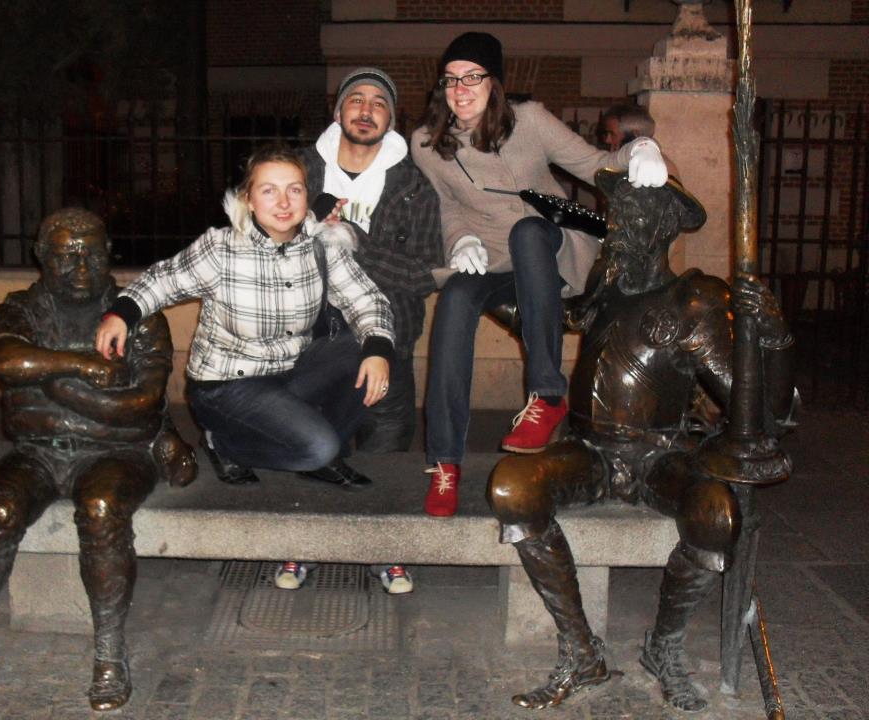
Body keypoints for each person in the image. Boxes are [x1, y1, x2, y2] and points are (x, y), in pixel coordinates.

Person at [487, 170, 796, 711]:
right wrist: (486, 291)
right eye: (619, 210)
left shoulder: (694, 300)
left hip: (660, 457)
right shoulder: (608, 284)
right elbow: (561, 316)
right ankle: (581, 651)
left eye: (634, 211)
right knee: (512, 485)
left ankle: (664, 646)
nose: (619, 222)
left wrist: (773, 338)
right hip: (588, 452)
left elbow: (759, 411)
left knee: (715, 513)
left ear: (666, 224)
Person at [0, 208, 197, 712]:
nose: (81, 268)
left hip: (117, 453)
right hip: (37, 452)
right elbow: (4, 358)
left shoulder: (139, 314)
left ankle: (109, 650)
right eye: (66, 256)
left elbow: (140, 405)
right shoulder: (20, 309)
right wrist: (83, 368)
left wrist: (48, 381)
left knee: (101, 509)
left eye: (91, 254)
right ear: (41, 257)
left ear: (109, 252)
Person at [409, 31, 669, 517]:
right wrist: (459, 240)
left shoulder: (528, 120)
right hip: (490, 256)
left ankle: (547, 395)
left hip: (549, 247)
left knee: (528, 230)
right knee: (457, 299)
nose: (460, 89)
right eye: (450, 79)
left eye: (472, 77)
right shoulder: (427, 143)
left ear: (494, 83)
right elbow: (446, 207)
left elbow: (595, 164)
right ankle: (444, 463)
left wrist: (641, 148)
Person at [95, 145, 395, 504]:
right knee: (319, 447)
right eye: (269, 190)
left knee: (366, 348)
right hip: (228, 386)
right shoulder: (222, 250)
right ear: (249, 200)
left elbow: (367, 299)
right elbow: (162, 280)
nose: (283, 202)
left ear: (306, 196)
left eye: (294, 190)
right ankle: (226, 443)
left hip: (290, 372)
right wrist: (121, 314)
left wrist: (378, 349)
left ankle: (315, 449)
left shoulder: (320, 246)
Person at [272, 68, 444, 595]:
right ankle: (304, 544)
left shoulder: (413, 186)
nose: (366, 110)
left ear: (391, 119)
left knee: (384, 446)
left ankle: (384, 549)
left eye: (378, 103)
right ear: (338, 110)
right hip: (309, 339)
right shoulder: (299, 170)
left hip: (385, 340)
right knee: (312, 442)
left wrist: (357, 242)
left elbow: (423, 274)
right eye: (356, 100)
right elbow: (255, 238)